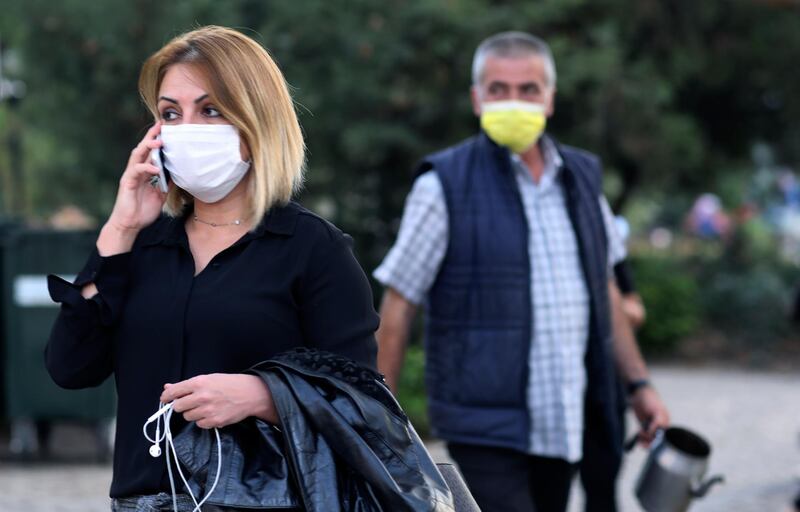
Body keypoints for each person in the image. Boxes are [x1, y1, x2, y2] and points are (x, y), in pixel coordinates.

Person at [45, 26, 379, 511]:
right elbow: (70, 368)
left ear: (255, 121)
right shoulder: (142, 247)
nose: (188, 128)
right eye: (170, 114)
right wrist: (118, 231)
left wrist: (264, 395)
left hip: (263, 501)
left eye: (211, 109)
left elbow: (362, 401)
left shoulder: (312, 249)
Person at [373, 31, 670, 512]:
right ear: (477, 99)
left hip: (567, 416)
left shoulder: (582, 180)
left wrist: (638, 386)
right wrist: (378, 415)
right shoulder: (443, 185)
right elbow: (400, 301)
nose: (514, 101)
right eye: (498, 90)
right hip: (483, 423)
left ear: (549, 98)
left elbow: (606, 293)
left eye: (528, 90)